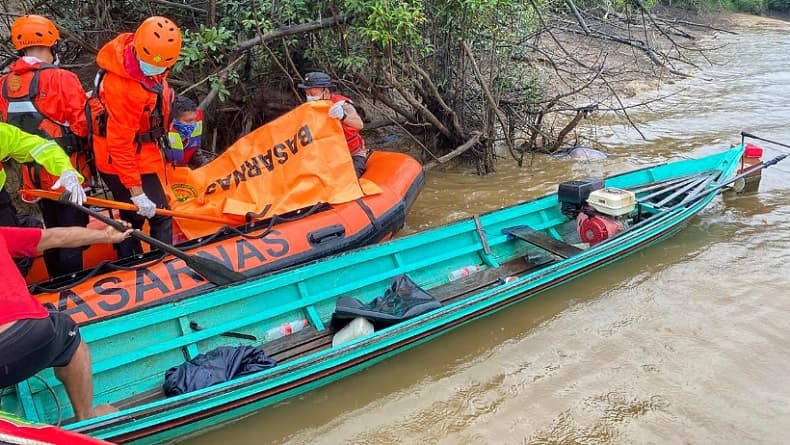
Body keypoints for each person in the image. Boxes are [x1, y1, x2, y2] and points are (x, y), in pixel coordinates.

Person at [0, 222, 132, 420]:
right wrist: (107, 236)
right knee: (69, 332)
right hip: (30, 334)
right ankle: (87, 416)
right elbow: (57, 236)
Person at [0, 14, 93, 278]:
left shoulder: (4, 84)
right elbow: (81, 126)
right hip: (67, 170)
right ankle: (73, 285)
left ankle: (55, 281)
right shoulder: (62, 78)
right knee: (72, 232)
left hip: (32, 176)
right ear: (52, 43)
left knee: (51, 229)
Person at [89, 16, 181, 259]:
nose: (155, 69)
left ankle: (132, 260)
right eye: (151, 63)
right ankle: (161, 266)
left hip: (135, 154)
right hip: (122, 160)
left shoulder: (130, 50)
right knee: (159, 216)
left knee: (132, 218)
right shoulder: (124, 88)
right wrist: (136, 191)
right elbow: (119, 144)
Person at [297, 72, 369, 177]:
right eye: (307, 94)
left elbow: (359, 125)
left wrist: (343, 116)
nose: (309, 97)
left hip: (352, 154)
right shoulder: (310, 108)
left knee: (349, 179)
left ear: (325, 91)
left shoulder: (342, 104)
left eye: (312, 93)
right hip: (330, 156)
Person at [165, 95, 208, 169]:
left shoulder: (195, 126)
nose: (193, 124)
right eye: (188, 121)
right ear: (173, 121)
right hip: (167, 172)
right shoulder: (160, 138)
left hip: (186, 170)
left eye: (194, 120)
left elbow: (196, 153)